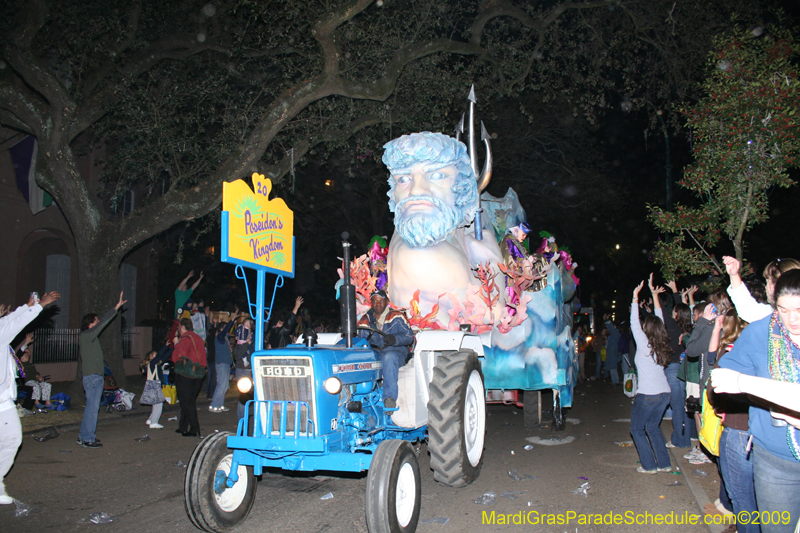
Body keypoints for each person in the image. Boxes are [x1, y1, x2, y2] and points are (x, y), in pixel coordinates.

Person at [382, 132, 504, 323]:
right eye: (403, 179)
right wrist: (492, 260)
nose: (416, 190)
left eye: (437, 175)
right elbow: (491, 315)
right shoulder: (422, 256)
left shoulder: (412, 230)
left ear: (462, 188)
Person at [719, 269, 800, 533]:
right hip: (775, 464)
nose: (792, 319)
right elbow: (724, 375)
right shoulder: (762, 331)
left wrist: (749, 384)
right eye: (783, 310)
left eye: (799, 309)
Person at [0, 291, 59, 504]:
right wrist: (40, 305)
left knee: (13, 439)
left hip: (4, 401)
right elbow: (13, 325)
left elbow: (9, 321)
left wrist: (26, 306)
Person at [629, 278, 672, 474]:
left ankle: (649, 466)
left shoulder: (643, 343)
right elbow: (660, 319)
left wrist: (635, 297)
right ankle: (664, 463)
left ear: (646, 328)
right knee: (653, 428)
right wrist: (655, 297)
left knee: (637, 430)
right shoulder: (661, 343)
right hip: (664, 393)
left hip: (647, 394)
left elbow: (633, 322)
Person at [78, 291, 126, 449]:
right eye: (96, 321)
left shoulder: (89, 338)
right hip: (92, 379)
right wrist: (115, 308)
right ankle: (88, 439)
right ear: (91, 324)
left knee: (91, 408)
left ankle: (84, 436)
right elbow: (103, 322)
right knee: (92, 409)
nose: (98, 323)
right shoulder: (87, 335)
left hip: (94, 377)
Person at [357, 290, 415, 408]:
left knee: (388, 357)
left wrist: (395, 339)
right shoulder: (365, 319)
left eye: (381, 301)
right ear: (371, 303)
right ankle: (360, 397)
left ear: (386, 302)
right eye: (375, 301)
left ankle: (389, 398)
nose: (378, 304)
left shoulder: (397, 316)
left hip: (397, 352)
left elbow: (409, 337)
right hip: (376, 353)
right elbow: (360, 338)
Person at [724, 255, 800, 323]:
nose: (766, 287)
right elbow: (747, 309)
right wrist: (734, 275)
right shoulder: (772, 314)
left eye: (767, 281)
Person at [171, 318, 207, 437]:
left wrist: (176, 342)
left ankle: (194, 429)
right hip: (198, 373)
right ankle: (183, 426)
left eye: (179, 327)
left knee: (187, 402)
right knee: (189, 400)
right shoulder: (197, 338)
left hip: (186, 374)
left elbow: (183, 353)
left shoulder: (185, 339)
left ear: (182, 327)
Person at [210, 311, 240, 413]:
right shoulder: (220, 338)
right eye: (226, 328)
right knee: (221, 385)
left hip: (226, 364)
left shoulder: (225, 338)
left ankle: (220, 405)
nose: (229, 330)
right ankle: (214, 405)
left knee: (225, 386)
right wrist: (232, 319)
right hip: (221, 364)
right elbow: (225, 331)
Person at [139, 348, 172, 429]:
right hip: (155, 386)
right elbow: (160, 355)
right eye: (155, 355)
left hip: (154, 386)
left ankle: (150, 420)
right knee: (159, 403)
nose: (157, 356)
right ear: (150, 357)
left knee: (155, 403)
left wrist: (174, 346)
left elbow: (165, 356)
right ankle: (154, 422)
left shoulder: (155, 364)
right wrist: (164, 346)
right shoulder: (152, 364)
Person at [19, 343, 51, 408]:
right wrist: (36, 376)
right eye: (25, 356)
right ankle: (36, 402)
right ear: (21, 358)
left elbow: (35, 372)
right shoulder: (20, 366)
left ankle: (47, 402)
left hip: (34, 381)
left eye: (27, 355)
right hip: (27, 382)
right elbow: (27, 375)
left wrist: (38, 376)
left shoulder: (31, 365)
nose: (27, 356)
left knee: (46, 385)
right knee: (36, 386)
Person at [604, 314, 621, 385]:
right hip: (611, 353)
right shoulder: (613, 334)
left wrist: (607, 320)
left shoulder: (616, 333)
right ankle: (615, 381)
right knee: (612, 368)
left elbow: (610, 327)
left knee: (613, 368)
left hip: (613, 353)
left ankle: (616, 381)